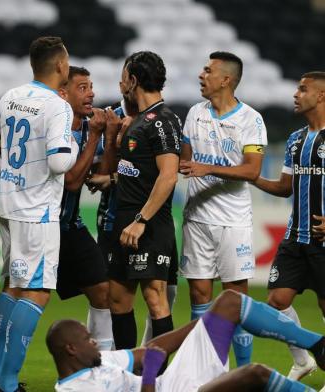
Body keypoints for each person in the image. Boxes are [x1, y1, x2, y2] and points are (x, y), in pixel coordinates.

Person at [0, 36, 78, 392]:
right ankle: (8, 383)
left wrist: (6, 171)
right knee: (36, 293)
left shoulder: (12, 96)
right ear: (61, 66)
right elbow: (60, 161)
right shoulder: (58, 106)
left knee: (13, 289)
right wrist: (75, 143)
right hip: (38, 213)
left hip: (8, 207)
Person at [46, 289, 324, 391]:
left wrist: (209, 321)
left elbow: (150, 351)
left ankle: (317, 344)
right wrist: (150, 374)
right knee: (255, 374)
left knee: (228, 303)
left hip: (169, 383)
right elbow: (151, 365)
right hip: (160, 387)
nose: (95, 341)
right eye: (87, 339)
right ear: (70, 349)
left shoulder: (99, 360)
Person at [179, 51, 268, 366]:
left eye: (208, 70)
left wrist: (209, 169)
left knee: (235, 300)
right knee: (199, 296)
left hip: (233, 221)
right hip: (196, 218)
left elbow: (252, 171)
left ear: (226, 79)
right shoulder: (194, 114)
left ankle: (244, 371)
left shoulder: (251, 119)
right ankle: (206, 370)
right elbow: (186, 163)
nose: (202, 75)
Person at [252, 71, 325, 381]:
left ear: (321, 96)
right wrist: (249, 176)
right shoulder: (295, 139)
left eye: (303, 89)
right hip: (296, 237)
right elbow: (285, 187)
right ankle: (304, 360)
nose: (296, 94)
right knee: (277, 302)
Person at [107, 51, 182, 350]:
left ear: (134, 80)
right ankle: (127, 372)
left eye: (124, 77)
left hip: (148, 224)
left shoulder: (162, 120)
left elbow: (168, 176)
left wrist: (140, 222)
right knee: (117, 298)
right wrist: (110, 179)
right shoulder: (138, 120)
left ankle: (159, 377)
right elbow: (138, 171)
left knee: (155, 296)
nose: (120, 83)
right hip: (125, 218)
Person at [55, 65, 117, 351]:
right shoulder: (55, 129)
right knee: (24, 297)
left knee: (102, 292)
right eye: (83, 87)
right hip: (42, 226)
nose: (91, 93)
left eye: (91, 86)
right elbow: (71, 182)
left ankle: (100, 367)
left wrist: (110, 135)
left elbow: (99, 177)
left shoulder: (91, 129)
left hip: (71, 226)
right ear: (62, 93)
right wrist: (94, 137)